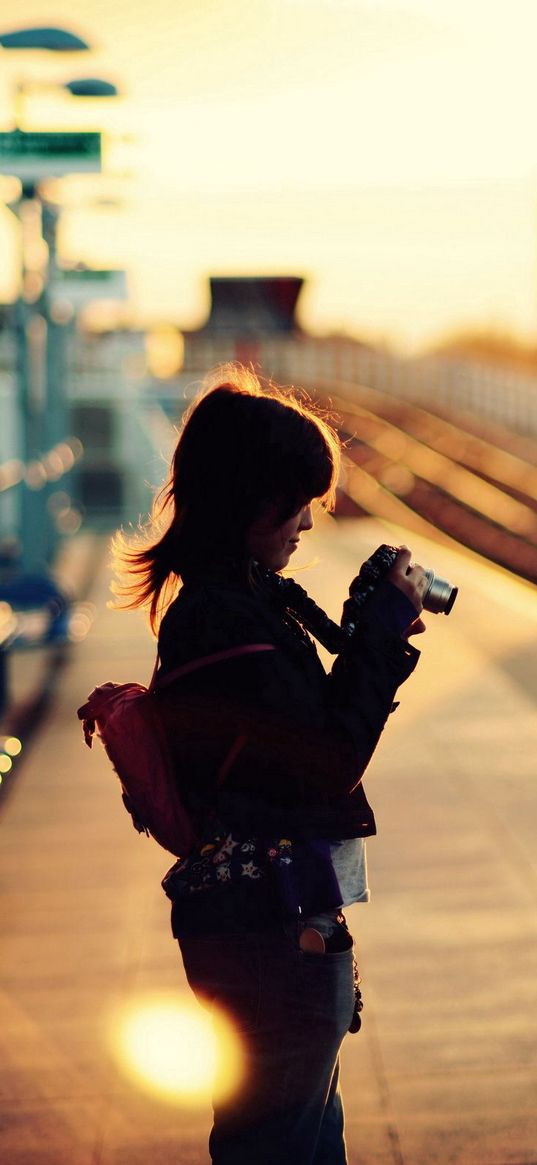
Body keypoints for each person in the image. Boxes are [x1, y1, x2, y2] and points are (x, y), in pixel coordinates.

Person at [112, 364, 427, 1165]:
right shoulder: (225, 620)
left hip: (271, 928)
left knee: (299, 1141)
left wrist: (362, 636)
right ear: (249, 502)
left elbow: (299, 738)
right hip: (270, 937)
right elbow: (324, 761)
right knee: (282, 1148)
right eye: (296, 504)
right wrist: (381, 641)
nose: (306, 526)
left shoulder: (229, 602)